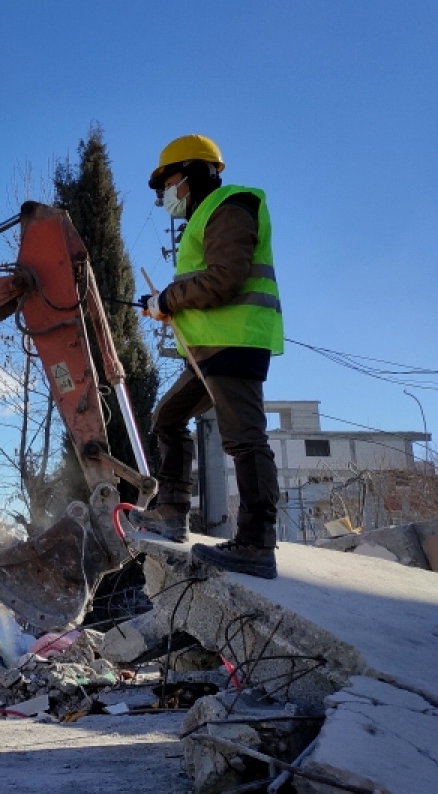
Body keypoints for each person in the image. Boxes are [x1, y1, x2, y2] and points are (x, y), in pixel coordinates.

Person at [132, 134, 283, 580]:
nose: (166, 196)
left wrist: (169, 298)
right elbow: (207, 288)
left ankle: (256, 544)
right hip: (210, 351)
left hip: (235, 344)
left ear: (195, 174)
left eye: (169, 183)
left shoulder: (231, 206)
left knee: (244, 438)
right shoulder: (205, 218)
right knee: (167, 417)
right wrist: (166, 305)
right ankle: (172, 513)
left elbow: (225, 279)